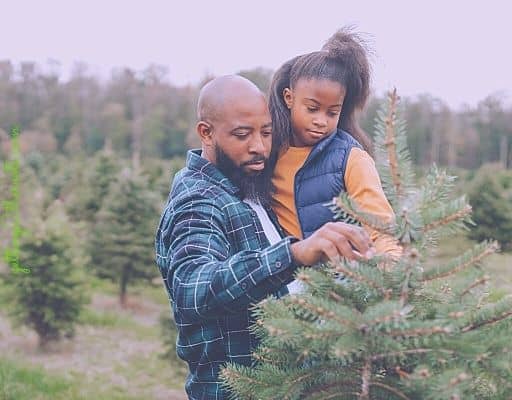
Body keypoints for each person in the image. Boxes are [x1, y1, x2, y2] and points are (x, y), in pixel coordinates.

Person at [155, 75, 374, 400]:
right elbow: (194, 289)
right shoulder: (198, 201)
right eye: (242, 134)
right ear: (206, 132)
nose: (259, 146)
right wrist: (294, 254)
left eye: (266, 132)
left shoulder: (249, 183)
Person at [269, 28, 401, 293]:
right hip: (281, 280)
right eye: (312, 108)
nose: (321, 120)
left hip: (338, 288)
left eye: (332, 112)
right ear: (288, 98)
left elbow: (380, 223)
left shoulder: (350, 157)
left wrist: (392, 267)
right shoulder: (268, 151)